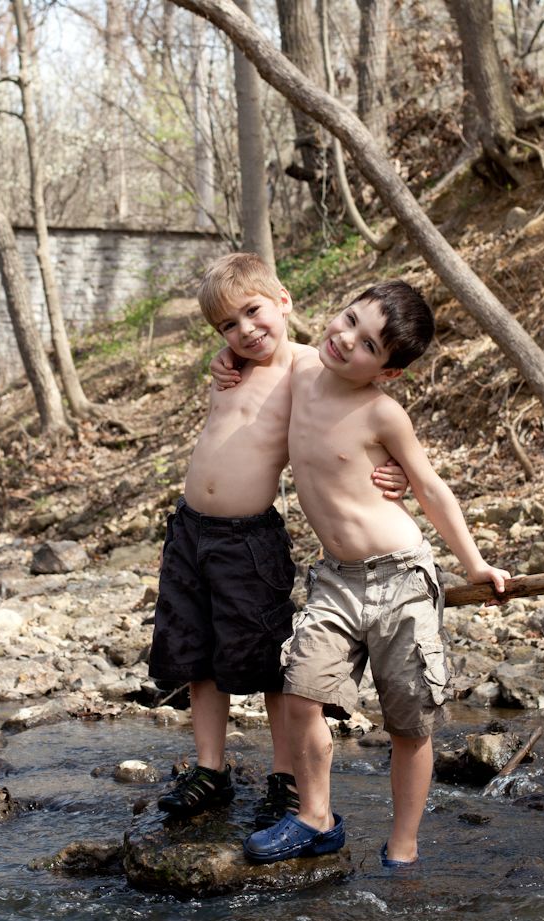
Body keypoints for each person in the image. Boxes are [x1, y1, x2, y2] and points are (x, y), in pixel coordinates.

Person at [238, 279, 510, 866]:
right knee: (301, 690)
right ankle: (315, 817)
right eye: (349, 320)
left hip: (401, 580)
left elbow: (432, 488)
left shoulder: (383, 413)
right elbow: (254, 343)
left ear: (388, 372)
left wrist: (474, 564)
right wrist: (224, 359)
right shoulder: (301, 369)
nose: (346, 340)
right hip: (334, 579)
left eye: (368, 345)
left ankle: (403, 847)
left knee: (409, 721)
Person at [149, 253, 407, 827]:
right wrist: (227, 355)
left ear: (283, 300)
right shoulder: (231, 365)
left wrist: (399, 469)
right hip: (190, 531)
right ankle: (210, 770)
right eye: (227, 326)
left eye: (252, 312)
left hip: (248, 540)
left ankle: (287, 778)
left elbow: (367, 414)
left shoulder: (310, 370)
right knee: (198, 655)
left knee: (269, 664)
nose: (244, 331)